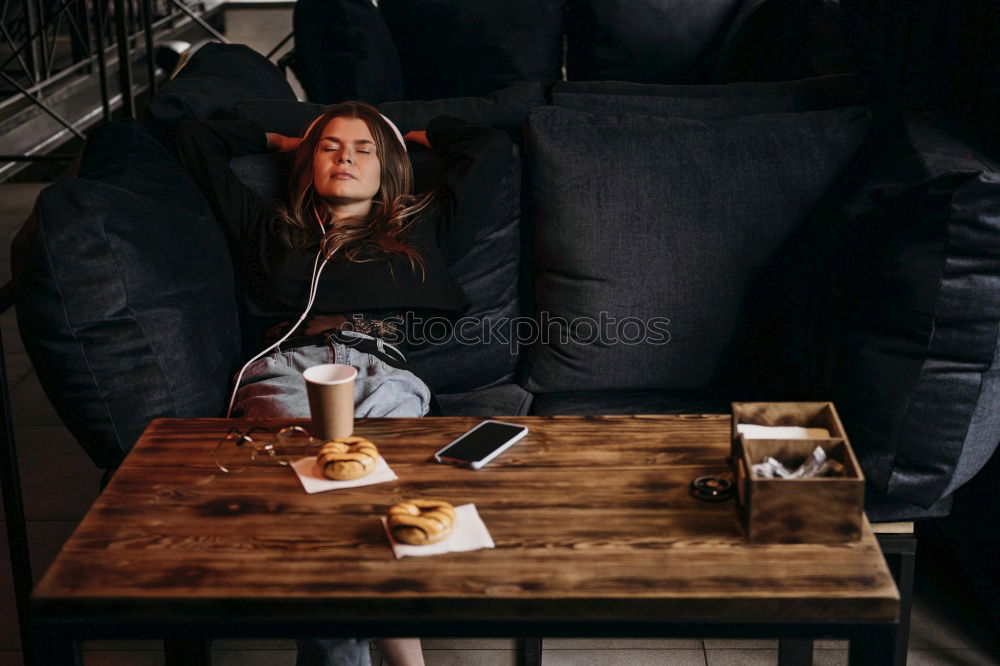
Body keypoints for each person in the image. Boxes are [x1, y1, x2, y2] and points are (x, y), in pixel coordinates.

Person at [173, 102, 511, 666]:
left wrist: (418, 132)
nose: (346, 157)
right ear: (309, 164)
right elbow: (191, 135)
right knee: (326, 490)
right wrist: (279, 140)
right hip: (288, 368)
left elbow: (491, 149)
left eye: (364, 149)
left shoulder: (426, 229)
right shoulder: (270, 229)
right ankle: (407, 658)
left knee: (373, 489)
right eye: (330, 147)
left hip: (385, 371)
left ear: (389, 169)